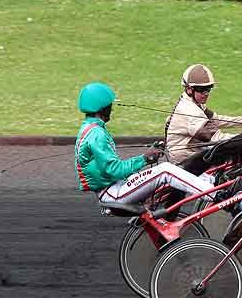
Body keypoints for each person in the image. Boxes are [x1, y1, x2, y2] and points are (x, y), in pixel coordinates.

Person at [74, 82, 215, 207]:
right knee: (165, 170)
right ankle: (216, 195)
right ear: (102, 108)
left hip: (116, 186)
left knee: (174, 169)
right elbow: (115, 170)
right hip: (113, 193)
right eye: (110, 105)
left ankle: (212, 182)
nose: (112, 109)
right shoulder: (96, 134)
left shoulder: (90, 129)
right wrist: (144, 159)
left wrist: (148, 156)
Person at [165, 64, 242, 165]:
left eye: (209, 88)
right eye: (201, 90)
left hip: (196, 158)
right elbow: (218, 139)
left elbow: (220, 120)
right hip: (185, 166)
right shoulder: (190, 111)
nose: (206, 93)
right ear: (189, 89)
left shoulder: (195, 104)